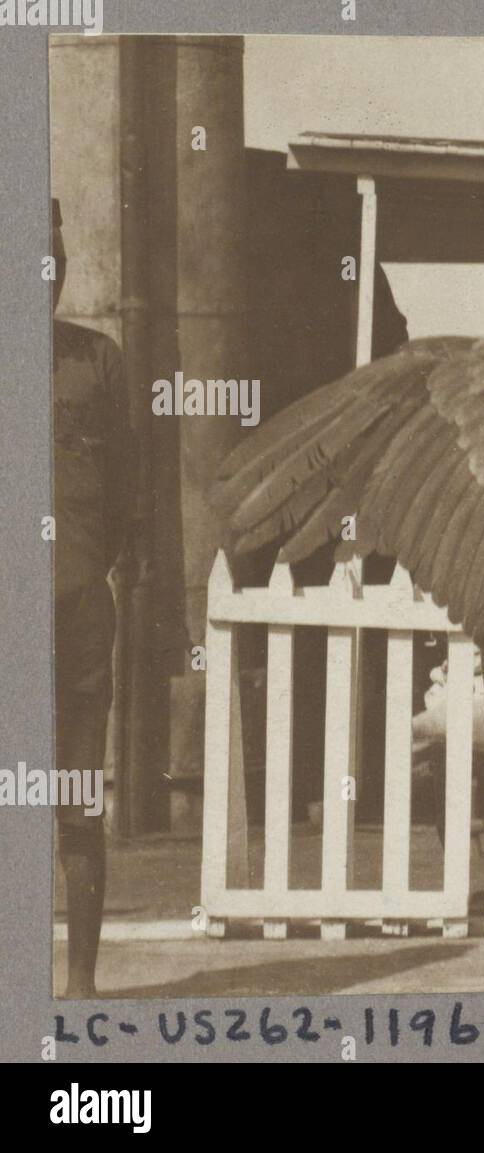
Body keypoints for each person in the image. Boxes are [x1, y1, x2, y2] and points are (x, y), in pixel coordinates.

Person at [51, 199, 135, 998]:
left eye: (55, 257)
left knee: (77, 804)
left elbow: (127, 498)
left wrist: (82, 571)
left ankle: (81, 984)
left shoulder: (100, 362)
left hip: (77, 621)